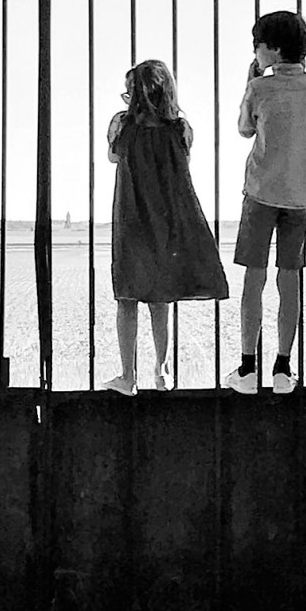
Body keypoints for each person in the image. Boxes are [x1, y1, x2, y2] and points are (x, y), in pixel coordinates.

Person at [104, 60, 228, 394]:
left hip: (131, 217)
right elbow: (183, 161)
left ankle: (127, 376)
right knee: (160, 298)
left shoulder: (122, 125)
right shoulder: (179, 128)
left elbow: (113, 156)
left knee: (127, 296)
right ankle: (162, 370)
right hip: (165, 217)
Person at [228, 8, 306, 395]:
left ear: (271, 49)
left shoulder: (260, 87)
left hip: (261, 192)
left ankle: (247, 367)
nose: (254, 51)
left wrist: (251, 81)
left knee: (253, 279)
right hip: (301, 194)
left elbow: (244, 128)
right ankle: (283, 369)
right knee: (290, 279)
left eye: (257, 45)